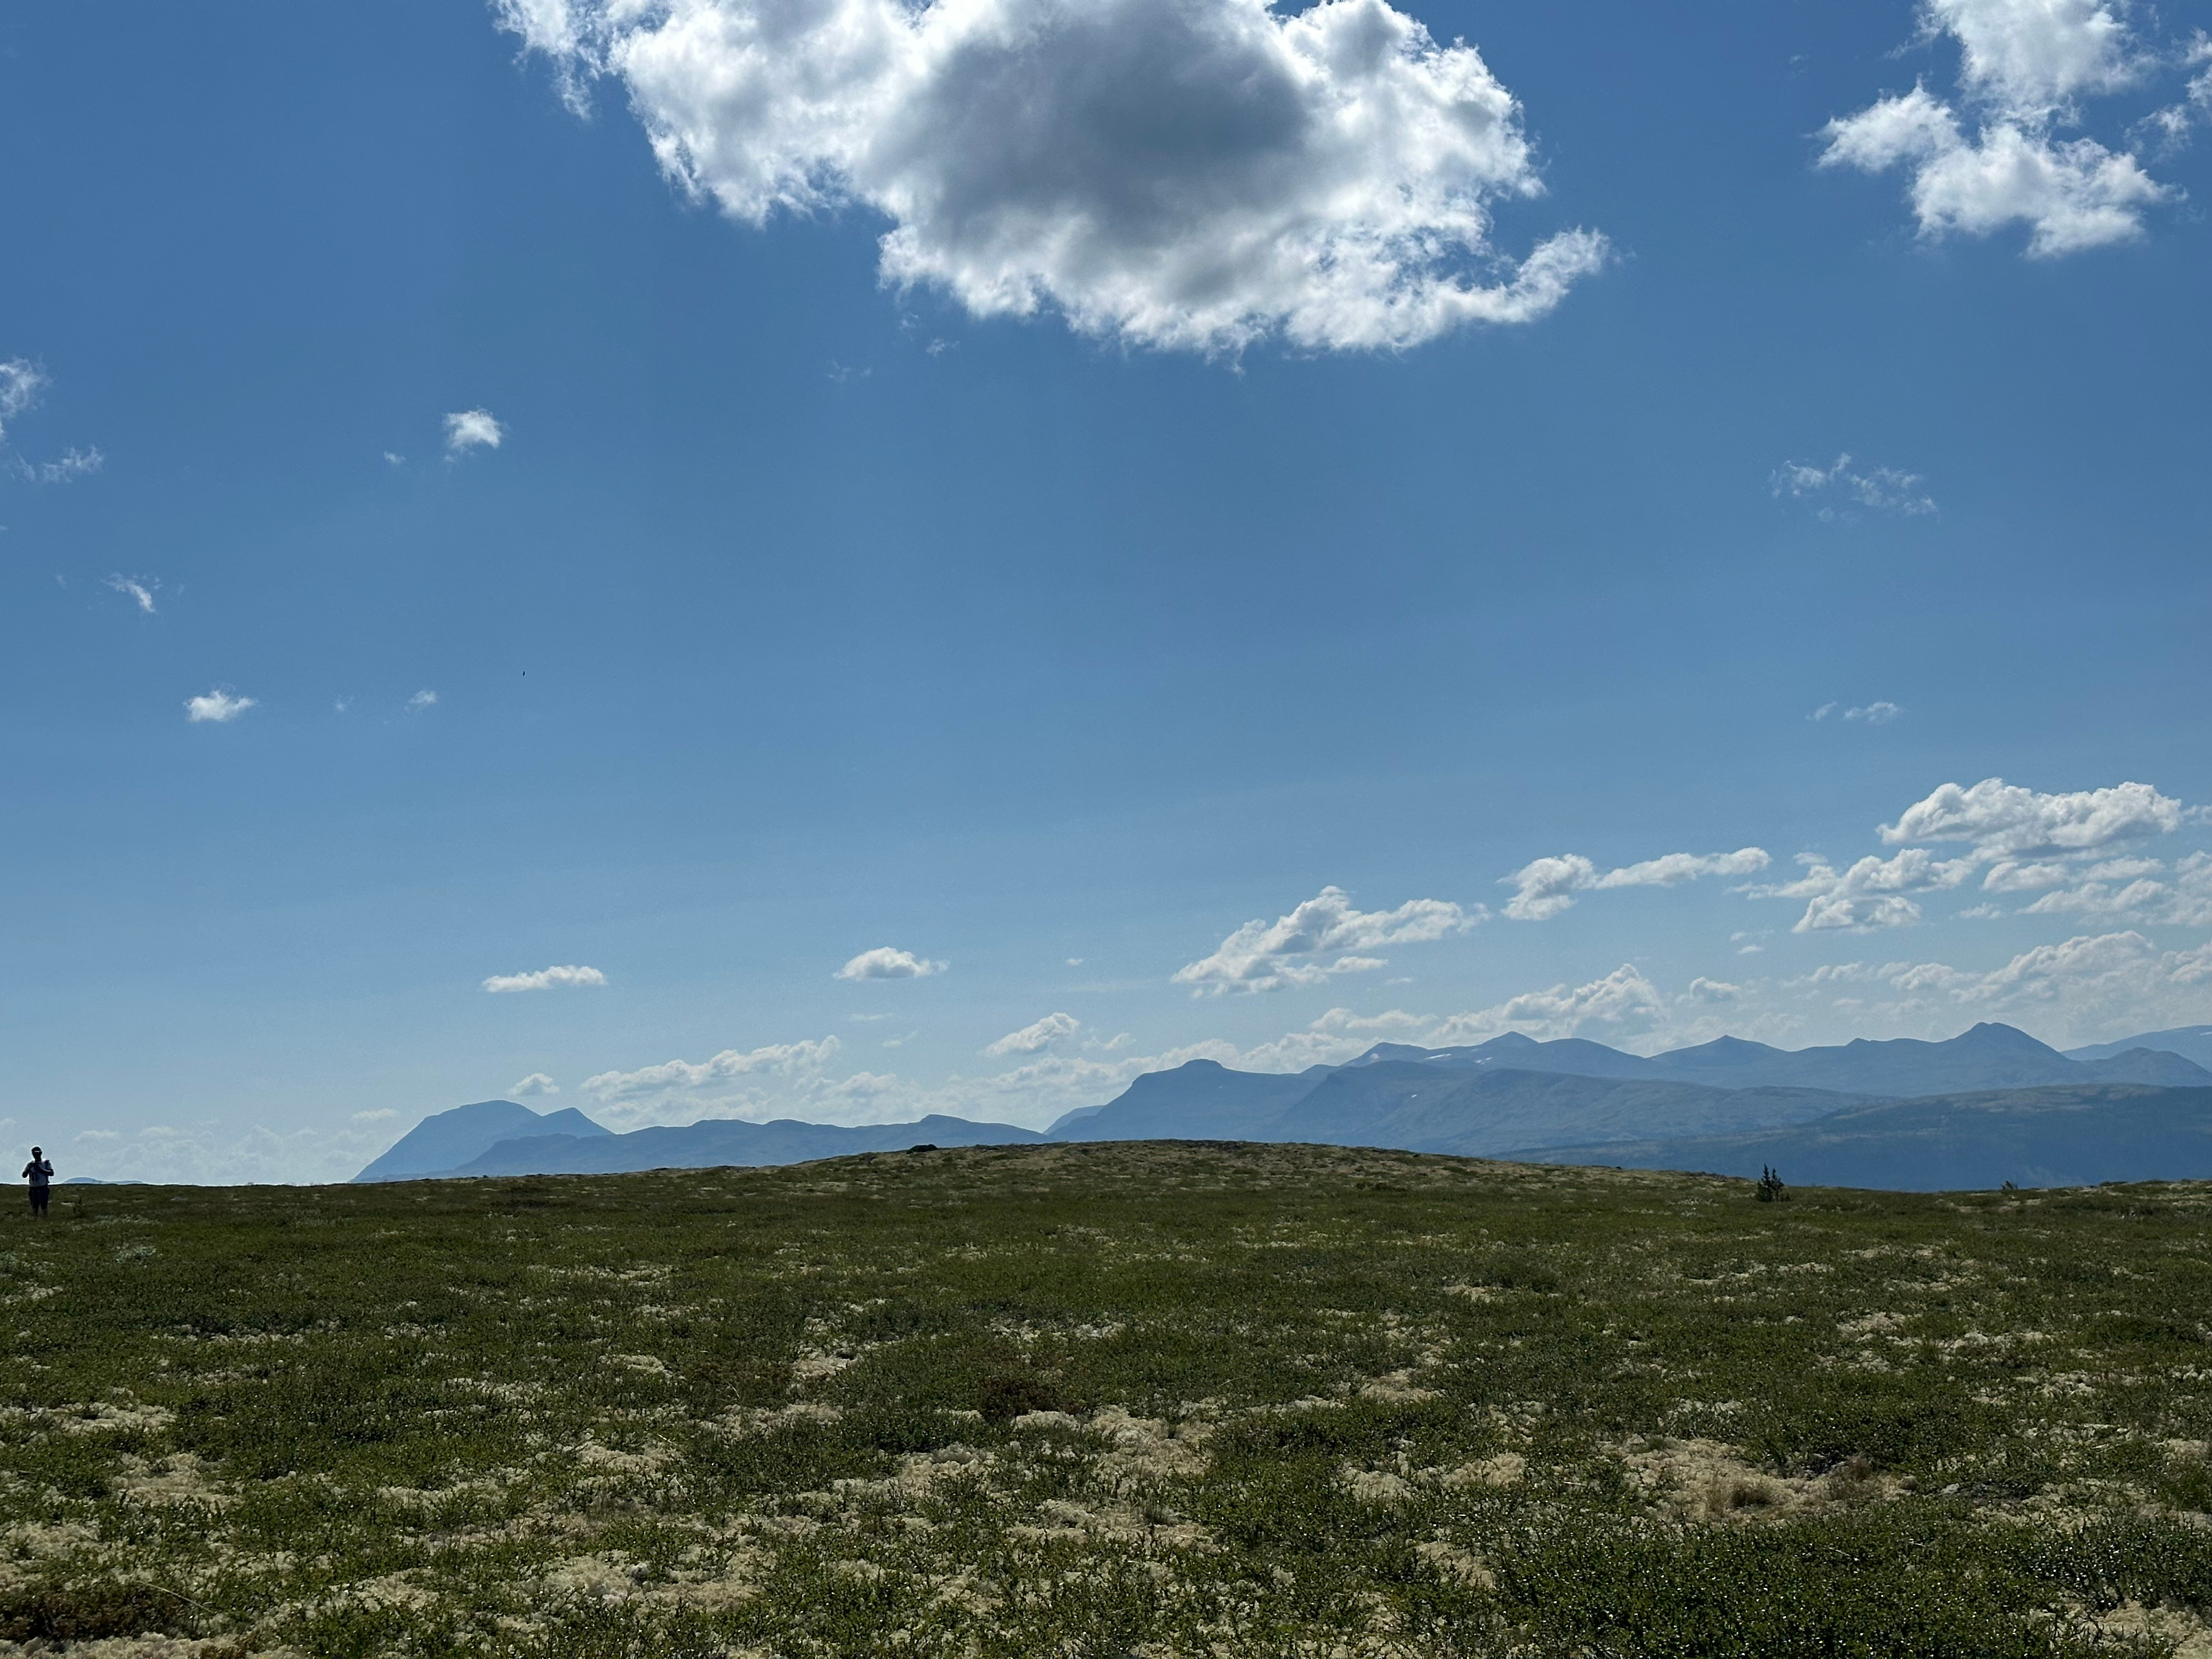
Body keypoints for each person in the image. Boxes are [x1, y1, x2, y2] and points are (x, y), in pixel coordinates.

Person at [21, 1147, 53, 1218]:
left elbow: (51, 1173)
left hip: (43, 1187)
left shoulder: (46, 1163)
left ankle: (45, 1217)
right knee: (34, 1205)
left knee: (44, 1204)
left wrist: (40, 1170)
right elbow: (24, 1175)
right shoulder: (30, 1164)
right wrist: (28, 1170)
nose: (36, 1155)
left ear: (41, 1153)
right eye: (35, 1154)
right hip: (33, 1188)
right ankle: (35, 1218)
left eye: (37, 1153)